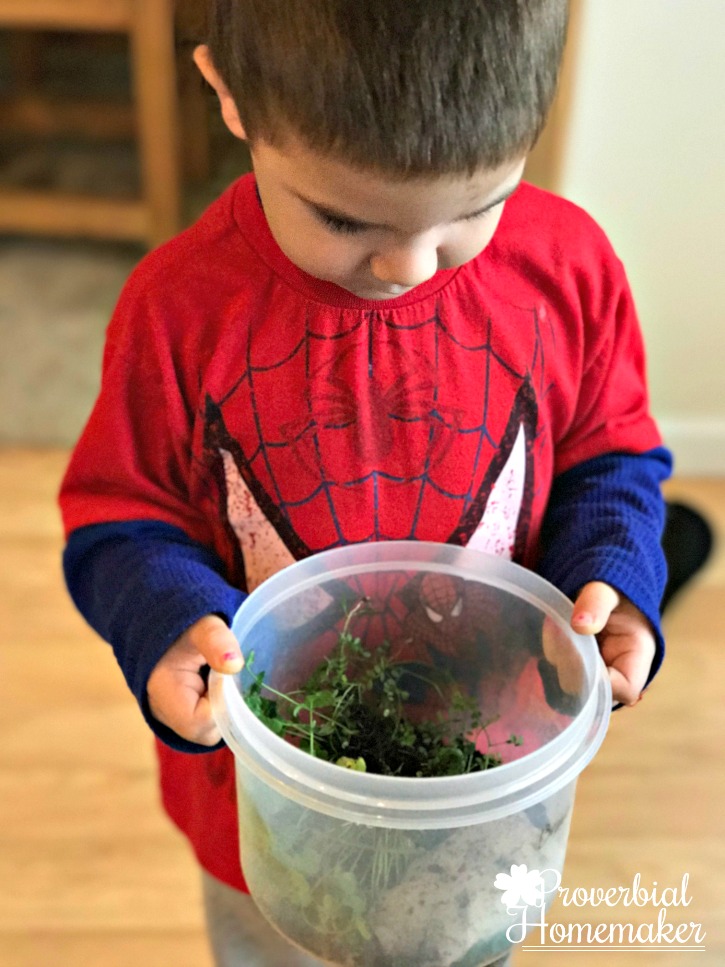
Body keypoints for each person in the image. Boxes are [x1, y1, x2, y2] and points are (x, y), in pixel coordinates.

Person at [58, 1, 672, 964]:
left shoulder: (569, 269)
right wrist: (164, 617)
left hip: (487, 785)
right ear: (228, 94)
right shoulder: (178, 312)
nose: (408, 264)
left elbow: (614, 453)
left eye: (477, 206)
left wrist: (617, 568)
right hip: (270, 806)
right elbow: (120, 517)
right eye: (344, 216)